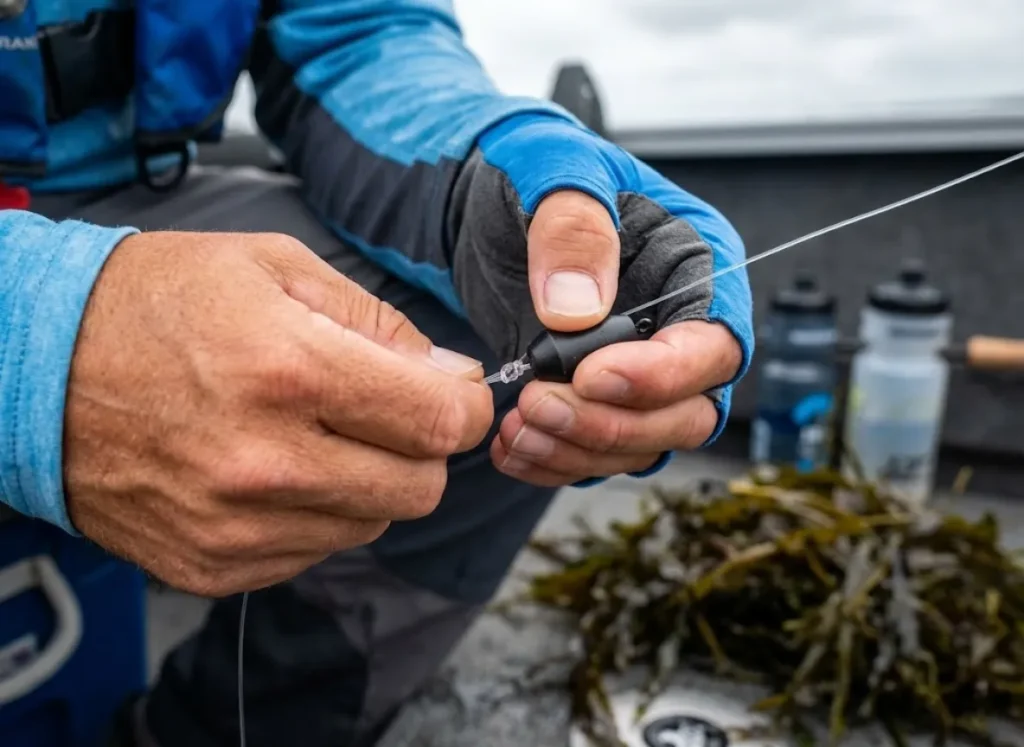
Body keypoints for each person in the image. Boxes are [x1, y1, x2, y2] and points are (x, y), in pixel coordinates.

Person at [0, 2, 754, 745]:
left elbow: (357, 31)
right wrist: (39, 345)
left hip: (123, 193)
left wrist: (481, 173)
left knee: (493, 325)